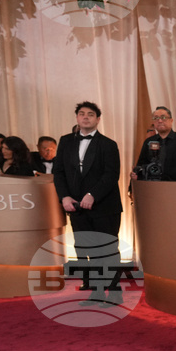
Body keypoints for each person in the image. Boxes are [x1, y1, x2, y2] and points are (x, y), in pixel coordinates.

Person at [52, 101, 124, 305]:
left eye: (90, 114)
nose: (85, 117)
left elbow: (111, 175)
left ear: (98, 119)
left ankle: (115, 293)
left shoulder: (108, 144)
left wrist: (93, 194)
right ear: (76, 118)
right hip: (76, 207)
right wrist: (64, 197)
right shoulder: (65, 141)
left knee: (107, 251)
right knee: (85, 252)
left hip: (104, 207)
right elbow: (59, 172)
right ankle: (97, 293)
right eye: (81, 114)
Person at [132, 107, 176, 182]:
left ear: (171, 120)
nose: (159, 120)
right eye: (156, 118)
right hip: (154, 187)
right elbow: (141, 165)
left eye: (164, 117)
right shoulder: (149, 142)